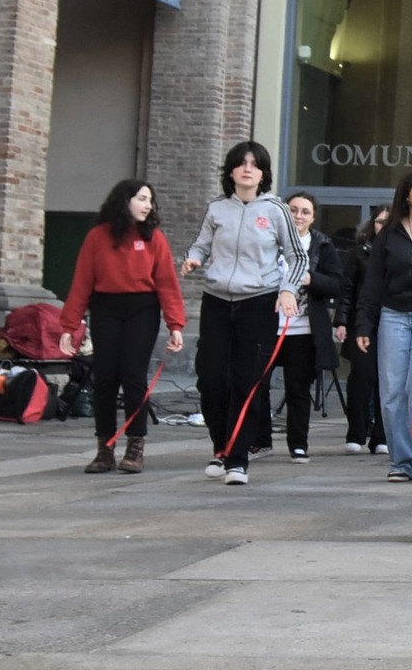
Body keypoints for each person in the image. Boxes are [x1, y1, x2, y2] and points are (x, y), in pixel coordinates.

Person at [183, 142, 306, 486]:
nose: (247, 169)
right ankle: (221, 447)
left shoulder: (276, 210)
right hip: (217, 300)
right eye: (241, 164)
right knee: (210, 378)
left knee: (247, 381)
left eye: (255, 164)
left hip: (258, 301)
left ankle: (238, 459)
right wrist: (193, 258)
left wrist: (287, 290)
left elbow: (297, 257)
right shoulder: (217, 210)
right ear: (231, 171)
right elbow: (201, 244)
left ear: (263, 173)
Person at [58, 179, 187, 474]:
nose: (147, 205)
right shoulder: (97, 237)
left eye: (150, 200)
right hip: (105, 308)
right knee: (104, 378)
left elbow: (167, 283)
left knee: (133, 375)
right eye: (142, 198)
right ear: (124, 200)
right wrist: (69, 326)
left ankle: (135, 445)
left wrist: (175, 324)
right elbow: (81, 283)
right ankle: (105, 448)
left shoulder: (154, 238)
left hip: (143, 308)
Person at [354, 169, 412, 484]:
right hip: (392, 315)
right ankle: (401, 461)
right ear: (407, 194)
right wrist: (364, 324)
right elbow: (373, 283)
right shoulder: (389, 234)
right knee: (392, 392)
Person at [263, 192, 342, 462]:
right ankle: (259, 440)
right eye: (293, 210)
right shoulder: (267, 240)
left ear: (313, 216)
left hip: (302, 329)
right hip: (266, 326)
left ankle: (298, 444)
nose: (298, 216)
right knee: (256, 384)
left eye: (305, 211)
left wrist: (310, 278)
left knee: (297, 388)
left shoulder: (322, 245)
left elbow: (335, 283)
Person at [337, 212, 389, 455]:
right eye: (380, 221)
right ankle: (356, 432)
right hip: (363, 322)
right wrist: (341, 322)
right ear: (372, 224)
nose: (384, 226)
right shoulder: (359, 253)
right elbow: (346, 290)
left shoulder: (401, 250)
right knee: (361, 376)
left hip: (391, 321)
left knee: (387, 381)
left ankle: (381, 436)